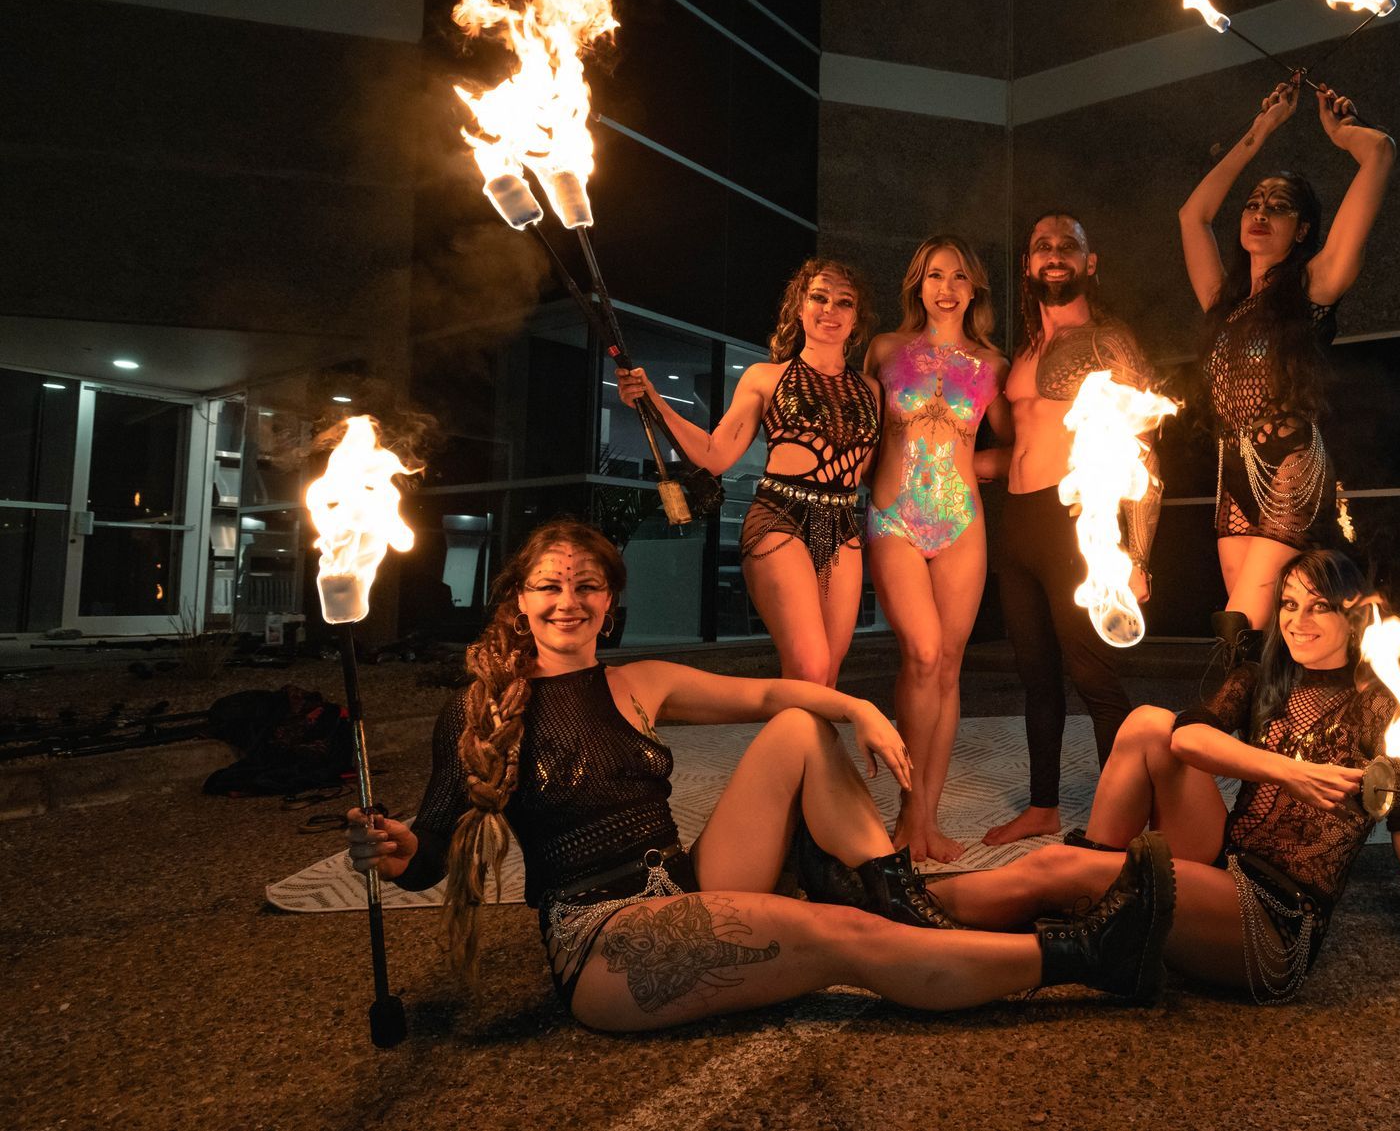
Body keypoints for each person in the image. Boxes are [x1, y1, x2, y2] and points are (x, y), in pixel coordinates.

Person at [345, 520, 1179, 1032]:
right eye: (549, 585)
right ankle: (1086, 955)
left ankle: (899, 892)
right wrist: (394, 843)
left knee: (795, 728)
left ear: (611, 600)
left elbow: (774, 692)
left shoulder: (641, 682)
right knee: (848, 940)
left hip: (686, 881)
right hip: (606, 937)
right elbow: (428, 852)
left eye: (587, 584)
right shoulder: (484, 706)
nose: (569, 599)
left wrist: (859, 711)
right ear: (519, 600)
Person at [931, 548, 1400, 1016]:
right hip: (1221, 864)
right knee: (1150, 723)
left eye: (1319, 607)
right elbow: (1184, 739)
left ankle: (907, 901)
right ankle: (1096, 894)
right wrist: (1286, 769)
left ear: (1357, 617)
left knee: (1055, 869)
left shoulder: (1383, 709)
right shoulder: (1268, 679)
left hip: (1271, 920)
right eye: (1289, 605)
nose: (1297, 621)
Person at [1176, 80, 1397, 645]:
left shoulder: (1314, 287)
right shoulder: (1221, 302)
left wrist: (1344, 134)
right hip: (1234, 480)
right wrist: (1261, 130)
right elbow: (1191, 215)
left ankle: (1220, 728)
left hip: (1291, 472)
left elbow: (1381, 153)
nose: (1259, 213)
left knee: (1241, 624)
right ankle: (1271, 728)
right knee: (1263, 633)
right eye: (1253, 204)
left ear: (1301, 230)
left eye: (1278, 208)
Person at [978, 212, 1163, 848]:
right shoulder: (1022, 353)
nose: (1054, 255)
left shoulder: (1109, 341)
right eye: (1042, 247)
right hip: (1019, 523)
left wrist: (1136, 553)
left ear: (1090, 263)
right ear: (1028, 265)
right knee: (1036, 675)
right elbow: (1013, 447)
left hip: (1075, 524)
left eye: (1068, 246)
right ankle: (1043, 806)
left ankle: (1126, 813)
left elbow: (1145, 454)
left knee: (1092, 674)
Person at [618, 259, 882, 686]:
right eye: (819, 297)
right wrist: (654, 401)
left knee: (826, 678)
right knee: (810, 667)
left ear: (856, 318)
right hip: (780, 517)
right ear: (799, 307)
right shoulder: (765, 377)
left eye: (843, 302)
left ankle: (803, 755)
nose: (829, 309)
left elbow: (871, 469)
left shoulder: (870, 389)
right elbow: (715, 454)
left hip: (841, 523)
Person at [865, 235, 1009, 863]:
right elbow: (857, 431)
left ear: (973, 287)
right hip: (893, 517)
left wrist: (975, 464)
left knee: (948, 667)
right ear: (916, 286)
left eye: (956, 276)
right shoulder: (885, 350)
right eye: (931, 276)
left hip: (960, 520)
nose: (944, 288)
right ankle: (905, 813)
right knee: (921, 654)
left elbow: (1015, 450)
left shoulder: (992, 364)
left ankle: (927, 819)